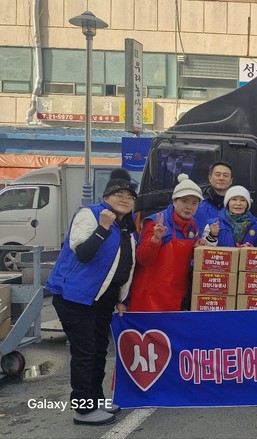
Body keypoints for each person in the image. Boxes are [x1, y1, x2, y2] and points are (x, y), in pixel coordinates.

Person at [46, 169, 137, 425]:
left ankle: (95, 399)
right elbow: (84, 254)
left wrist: (122, 298)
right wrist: (103, 227)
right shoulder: (90, 214)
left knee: (98, 351)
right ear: (106, 197)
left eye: (129, 196)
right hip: (76, 297)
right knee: (85, 353)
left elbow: (125, 267)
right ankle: (83, 409)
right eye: (118, 194)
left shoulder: (126, 228)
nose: (124, 199)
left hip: (103, 299)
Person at [129, 174, 203, 312]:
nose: (189, 207)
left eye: (194, 203)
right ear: (174, 201)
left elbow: (187, 261)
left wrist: (197, 250)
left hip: (177, 293)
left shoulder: (194, 225)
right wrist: (155, 239)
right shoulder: (155, 222)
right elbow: (142, 259)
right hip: (149, 295)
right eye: (184, 201)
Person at [193, 161, 233, 230]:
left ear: (231, 180)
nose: (221, 178)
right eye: (218, 175)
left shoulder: (238, 205)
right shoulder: (197, 203)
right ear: (210, 178)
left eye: (225, 175)